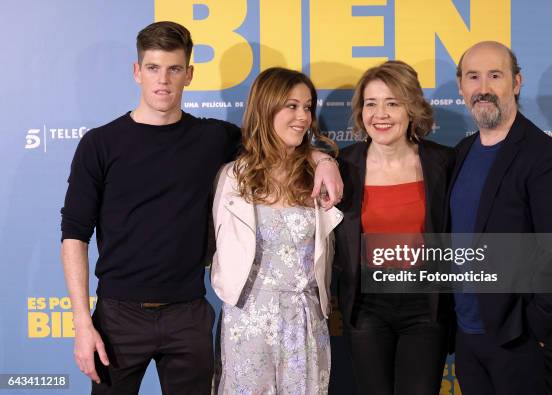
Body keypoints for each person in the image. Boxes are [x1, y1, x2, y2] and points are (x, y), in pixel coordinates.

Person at [60, 22, 342, 395]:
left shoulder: (213, 139)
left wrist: (324, 159)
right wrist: (82, 322)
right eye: (153, 68)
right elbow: (74, 235)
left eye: (175, 69)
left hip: (188, 316)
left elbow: (276, 139)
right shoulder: (100, 144)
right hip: (118, 315)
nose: (164, 80)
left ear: (189, 74)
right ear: (136, 72)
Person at [450, 41, 552, 395]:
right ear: (461, 86)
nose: (483, 88)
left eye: (495, 75)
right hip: (468, 337)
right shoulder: (462, 153)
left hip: (521, 340)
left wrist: (538, 333)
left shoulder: (546, 159)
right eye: (473, 77)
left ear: (517, 82)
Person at [211, 67, 343, 394]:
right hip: (247, 319)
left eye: (308, 107)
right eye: (291, 106)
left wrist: (323, 160)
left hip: (305, 318)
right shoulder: (233, 177)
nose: (302, 116)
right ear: (266, 108)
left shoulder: (319, 176)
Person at [334, 60, 454, 395]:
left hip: (425, 307)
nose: (380, 114)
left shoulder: (442, 163)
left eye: (392, 103)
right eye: (371, 104)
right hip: (367, 306)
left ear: (412, 108)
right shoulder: (342, 166)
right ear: (361, 112)